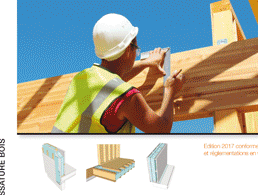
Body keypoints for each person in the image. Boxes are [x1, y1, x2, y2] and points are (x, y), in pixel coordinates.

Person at [52, 13, 184, 133]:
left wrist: (146, 63)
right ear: (128, 50)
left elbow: (110, 82)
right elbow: (161, 129)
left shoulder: (82, 78)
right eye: (136, 48)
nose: (136, 54)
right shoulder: (126, 96)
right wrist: (170, 91)